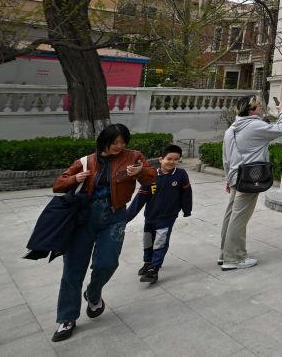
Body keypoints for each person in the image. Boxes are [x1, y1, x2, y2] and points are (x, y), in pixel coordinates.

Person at [50, 124, 156, 342]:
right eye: (115, 142)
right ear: (104, 141)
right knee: (73, 269)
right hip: (83, 219)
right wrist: (74, 179)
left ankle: (93, 292)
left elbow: (151, 177)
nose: (119, 146)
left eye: (123, 142)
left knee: (107, 263)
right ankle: (67, 317)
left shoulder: (134, 157)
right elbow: (58, 185)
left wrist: (140, 171)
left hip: (115, 216)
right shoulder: (86, 161)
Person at [220, 95, 282, 271]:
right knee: (239, 218)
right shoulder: (254, 125)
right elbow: (280, 129)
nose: (261, 108)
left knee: (231, 215)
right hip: (249, 178)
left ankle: (224, 253)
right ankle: (234, 258)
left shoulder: (232, 128)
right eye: (258, 106)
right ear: (251, 110)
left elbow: (226, 157)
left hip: (235, 176)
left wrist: (228, 178)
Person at [126, 144, 192, 284]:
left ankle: (154, 269)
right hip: (150, 215)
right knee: (148, 240)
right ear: (161, 159)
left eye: (176, 159)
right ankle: (147, 262)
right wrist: (127, 216)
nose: (172, 162)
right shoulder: (151, 176)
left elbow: (187, 193)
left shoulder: (181, 175)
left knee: (160, 241)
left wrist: (187, 210)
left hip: (168, 216)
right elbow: (140, 197)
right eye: (169, 158)